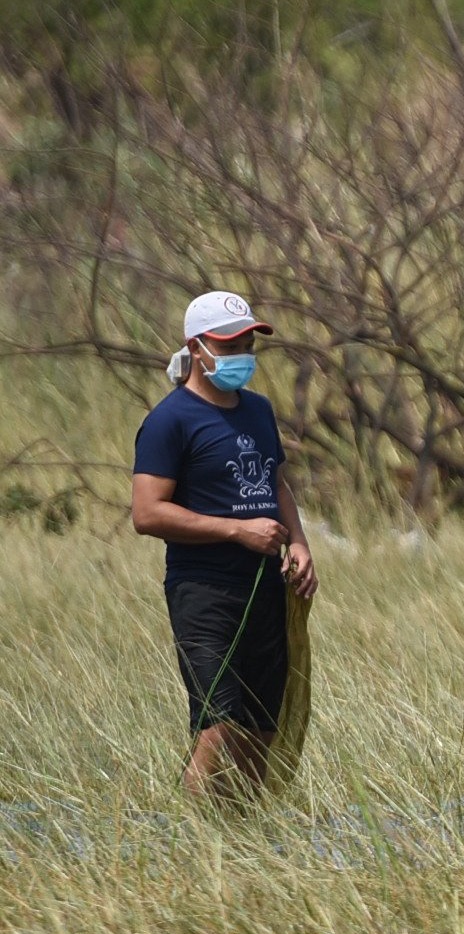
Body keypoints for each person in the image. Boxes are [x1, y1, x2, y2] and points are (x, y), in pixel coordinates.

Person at [132, 290, 318, 801]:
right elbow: (147, 513)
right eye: (229, 343)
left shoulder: (258, 411)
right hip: (204, 589)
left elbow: (274, 482)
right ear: (197, 347)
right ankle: (194, 838)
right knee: (217, 721)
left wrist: (299, 543)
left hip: (265, 584)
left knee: (261, 723)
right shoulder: (170, 421)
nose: (241, 354)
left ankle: (244, 838)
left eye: (248, 343)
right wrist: (236, 530)